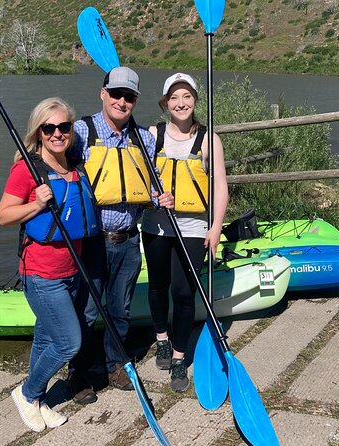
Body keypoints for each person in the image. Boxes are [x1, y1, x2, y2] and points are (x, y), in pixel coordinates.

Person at [67, 66, 175, 404]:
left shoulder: (143, 139)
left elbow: (148, 183)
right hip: (93, 240)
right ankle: (79, 373)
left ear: (135, 101)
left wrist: (161, 198)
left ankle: (114, 364)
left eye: (129, 96)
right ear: (103, 93)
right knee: (85, 311)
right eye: (116, 94)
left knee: (120, 309)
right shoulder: (80, 132)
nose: (121, 101)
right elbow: (53, 163)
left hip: (129, 239)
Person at [0, 97, 98, 431]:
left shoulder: (74, 167)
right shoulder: (26, 169)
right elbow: (3, 215)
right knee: (69, 342)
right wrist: (36, 204)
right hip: (41, 274)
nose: (57, 133)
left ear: (71, 130)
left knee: (44, 339)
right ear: (38, 132)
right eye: (49, 128)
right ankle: (27, 393)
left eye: (63, 127)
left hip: (71, 272)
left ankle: (38, 401)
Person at [141, 73, 228, 392]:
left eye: (187, 96)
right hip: (156, 227)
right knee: (158, 286)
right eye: (174, 97)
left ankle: (179, 358)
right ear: (165, 104)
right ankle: (161, 339)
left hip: (193, 228)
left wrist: (216, 228)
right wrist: (154, 197)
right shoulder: (152, 134)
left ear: (194, 100)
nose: (181, 103)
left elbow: (220, 186)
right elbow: (140, 179)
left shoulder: (209, 139)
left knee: (182, 291)